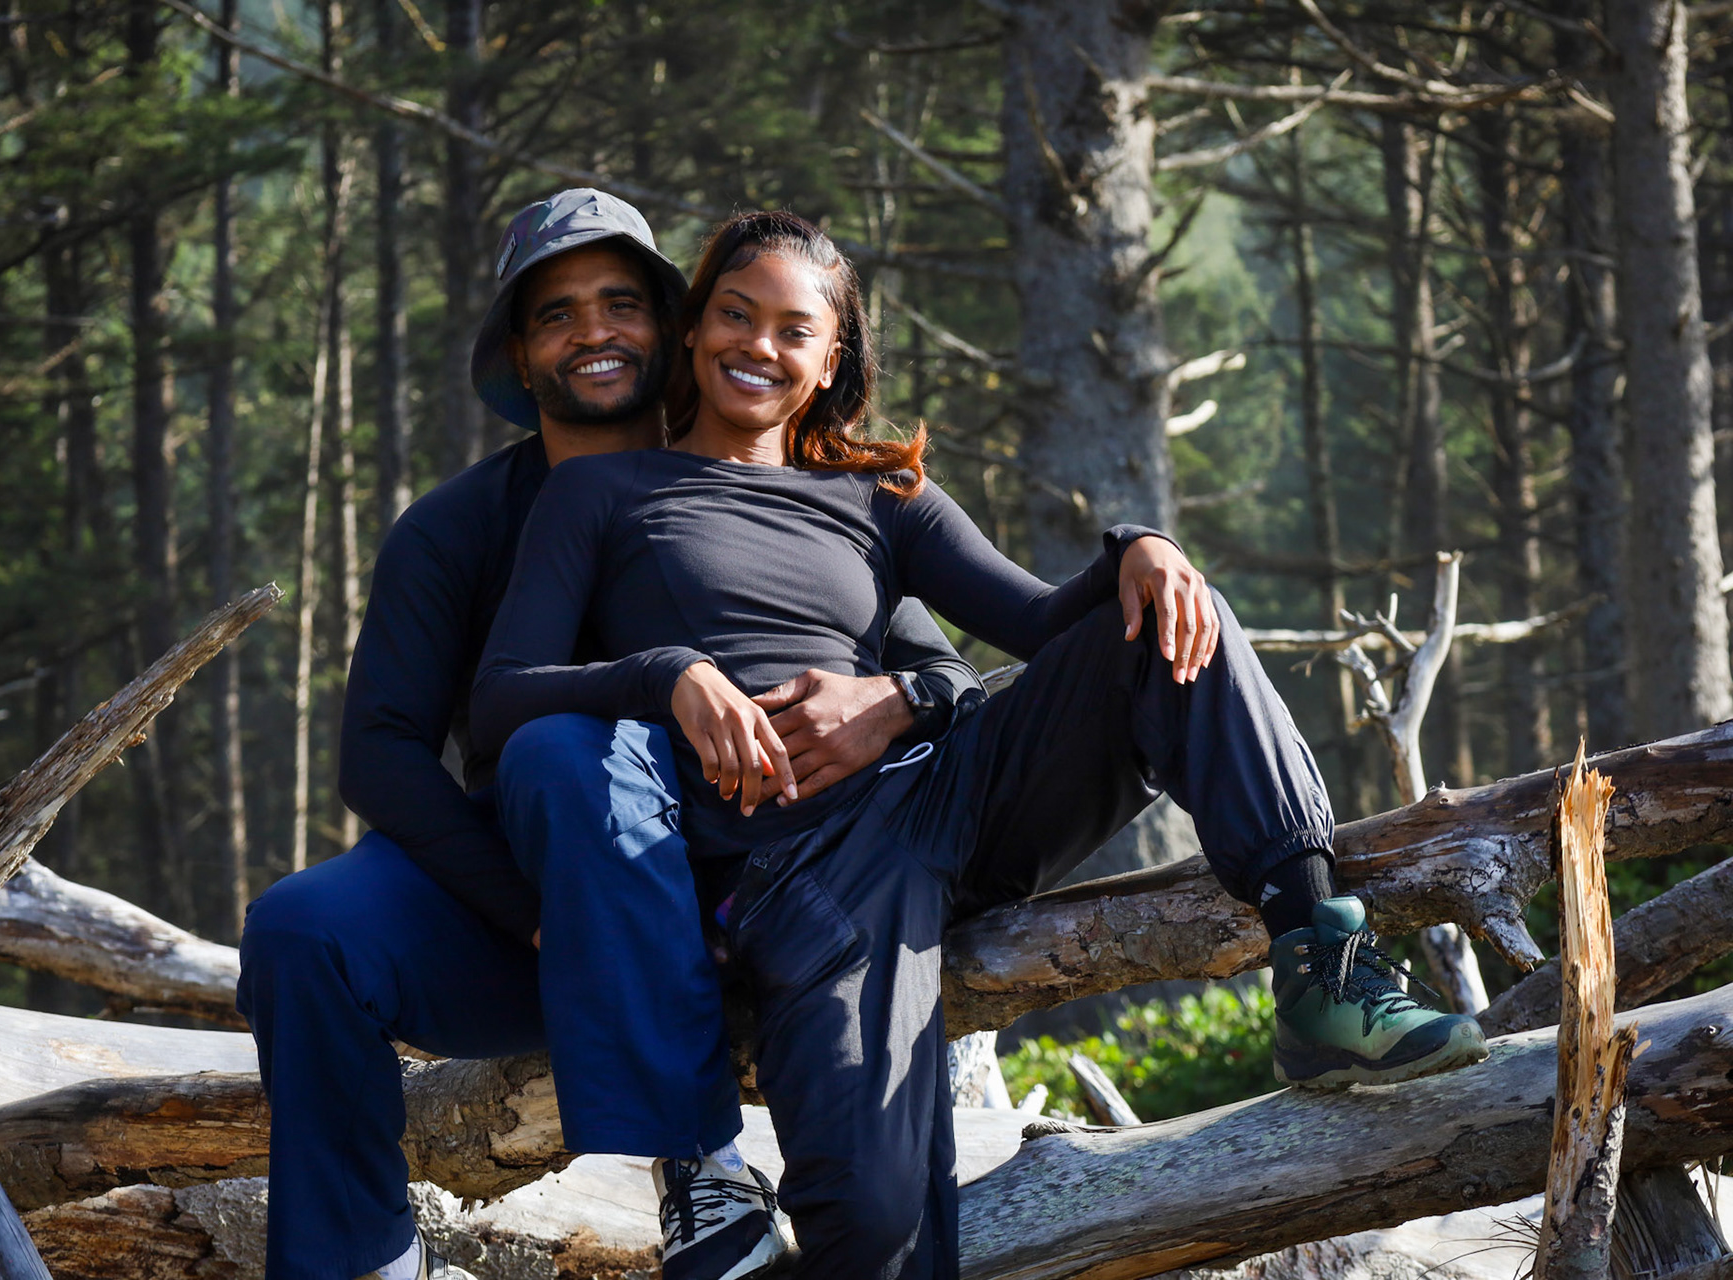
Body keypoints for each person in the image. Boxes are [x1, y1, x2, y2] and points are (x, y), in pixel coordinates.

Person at [474, 210, 1491, 1279]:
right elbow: (503, 698)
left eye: (792, 329)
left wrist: (1138, 547)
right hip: (799, 876)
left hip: (948, 798)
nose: (758, 346)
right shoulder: (602, 493)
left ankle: (1321, 963)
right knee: (875, 1226)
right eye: (735, 314)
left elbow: (1044, 621)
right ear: (692, 327)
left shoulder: (879, 494)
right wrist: (669, 674)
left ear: (832, 357)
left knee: (1168, 614)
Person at [234, 189, 980, 1280]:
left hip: (777, 893)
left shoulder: (768, 483)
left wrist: (900, 700)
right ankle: (363, 1260)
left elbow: (938, 666)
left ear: (671, 324)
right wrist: (530, 907)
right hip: (535, 906)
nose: (593, 331)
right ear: (519, 353)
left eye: (621, 303)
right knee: (302, 928)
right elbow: (379, 752)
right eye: (556, 314)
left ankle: (701, 1173)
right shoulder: (453, 529)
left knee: (574, 749)